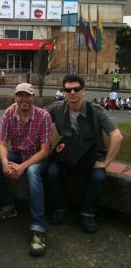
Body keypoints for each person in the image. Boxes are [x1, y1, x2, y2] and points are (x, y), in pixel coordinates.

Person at [46, 74, 123, 234]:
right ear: (64, 92)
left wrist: (106, 163)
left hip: (91, 156)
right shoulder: (57, 108)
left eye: (76, 89)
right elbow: (37, 116)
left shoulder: (96, 111)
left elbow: (117, 136)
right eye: (68, 89)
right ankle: (60, 207)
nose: (72, 92)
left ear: (83, 91)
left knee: (99, 176)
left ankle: (88, 213)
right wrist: (16, 106)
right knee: (51, 171)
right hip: (67, 155)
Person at [0, 83, 52, 256]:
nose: (24, 99)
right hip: (17, 153)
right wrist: (5, 162)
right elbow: (2, 143)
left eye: (27, 95)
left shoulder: (43, 116)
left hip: (37, 157)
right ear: (15, 97)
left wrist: (23, 167)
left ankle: (38, 228)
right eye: (20, 95)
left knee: (32, 172)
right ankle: (6, 207)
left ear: (33, 97)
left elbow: (45, 150)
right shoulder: (9, 114)